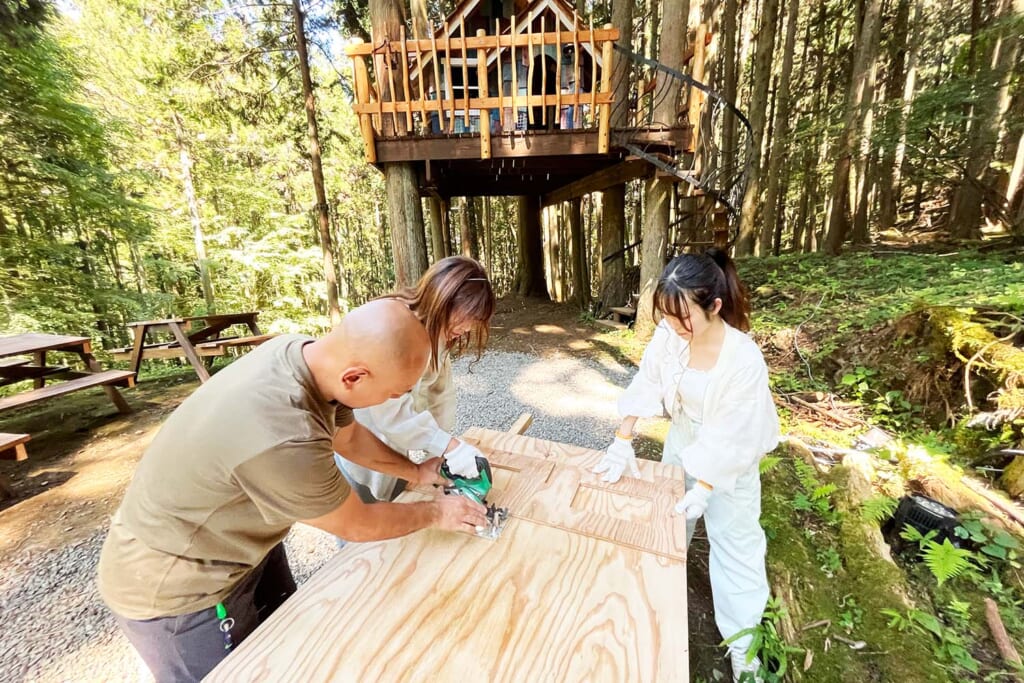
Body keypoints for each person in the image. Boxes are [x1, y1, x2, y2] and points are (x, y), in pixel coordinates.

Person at [96, 299, 488, 682]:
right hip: (181, 589)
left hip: (243, 550)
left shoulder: (305, 356)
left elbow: (348, 440)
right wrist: (439, 512)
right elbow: (357, 524)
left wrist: (417, 472)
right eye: (393, 393)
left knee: (286, 652)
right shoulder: (284, 434)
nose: (399, 400)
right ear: (354, 377)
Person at [593, 249, 780, 682]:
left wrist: (707, 487)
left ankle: (745, 652)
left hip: (732, 459)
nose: (675, 327)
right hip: (682, 437)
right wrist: (623, 439)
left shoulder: (743, 360)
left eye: (684, 318)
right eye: (667, 316)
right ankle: (654, 618)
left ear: (714, 306)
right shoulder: (670, 333)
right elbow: (649, 379)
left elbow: (733, 436)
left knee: (736, 549)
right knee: (668, 528)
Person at [335, 256, 495, 505]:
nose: (466, 329)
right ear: (442, 297)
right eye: (464, 318)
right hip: (359, 456)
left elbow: (441, 395)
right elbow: (391, 415)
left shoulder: (438, 334)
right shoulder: (391, 330)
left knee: (395, 520)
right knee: (364, 534)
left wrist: (447, 452)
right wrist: (448, 446)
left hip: (391, 455)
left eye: (473, 322)